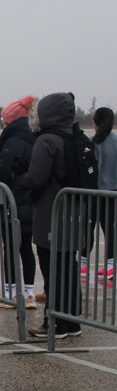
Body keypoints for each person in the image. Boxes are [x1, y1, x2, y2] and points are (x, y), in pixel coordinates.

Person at [14, 92, 86, 339]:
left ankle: (53, 322)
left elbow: (36, 178)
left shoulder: (47, 140)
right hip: (74, 212)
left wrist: (18, 176)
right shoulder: (76, 137)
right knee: (69, 268)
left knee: (52, 268)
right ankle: (72, 321)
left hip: (51, 212)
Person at [0, 95, 37, 309]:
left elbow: (4, 171)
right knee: (26, 249)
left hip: (14, 202)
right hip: (30, 201)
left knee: (12, 249)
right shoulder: (33, 136)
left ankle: (11, 294)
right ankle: (29, 293)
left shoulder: (13, 141)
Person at [80, 107, 117, 279]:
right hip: (112, 192)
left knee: (88, 228)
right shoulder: (115, 141)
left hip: (94, 192)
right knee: (109, 229)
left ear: (95, 122)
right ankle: (110, 265)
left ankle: (83, 263)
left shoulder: (91, 142)